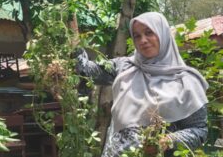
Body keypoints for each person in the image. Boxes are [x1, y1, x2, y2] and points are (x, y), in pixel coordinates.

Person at [75, 12, 208, 156]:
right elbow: (86, 71)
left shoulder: (186, 81)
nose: (143, 40)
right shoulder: (124, 67)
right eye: (137, 36)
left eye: (149, 32)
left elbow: (199, 130)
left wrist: (167, 140)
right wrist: (72, 38)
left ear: (162, 34)